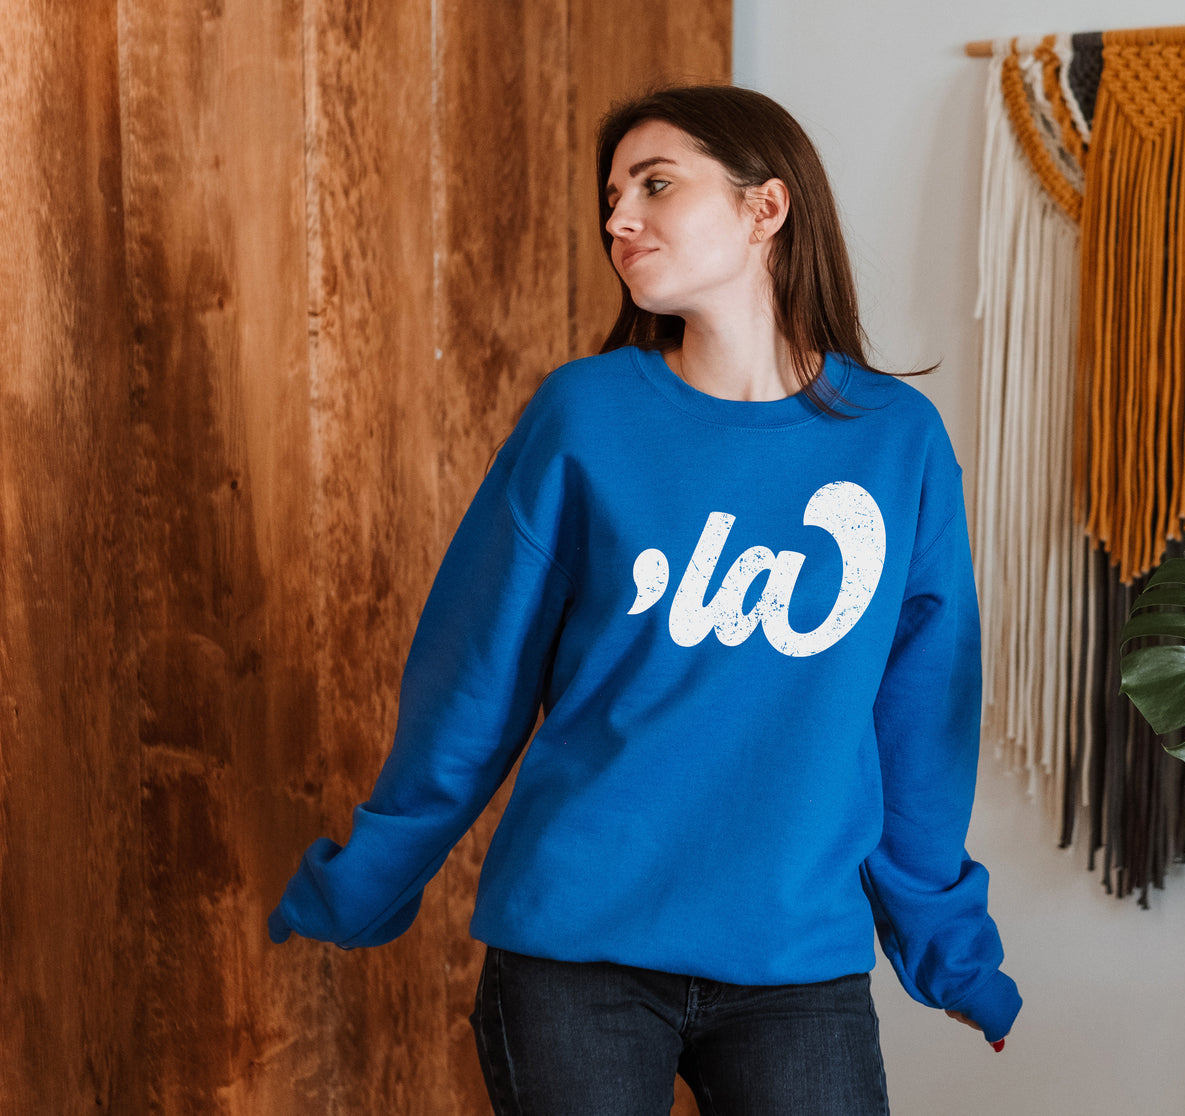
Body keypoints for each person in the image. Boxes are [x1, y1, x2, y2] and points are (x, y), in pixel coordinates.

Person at [269, 83, 1020, 1114]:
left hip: (793, 960)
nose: (618, 218)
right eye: (612, 194)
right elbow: (473, 678)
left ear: (765, 209)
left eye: (655, 186)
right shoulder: (584, 415)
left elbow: (920, 721)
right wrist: (366, 879)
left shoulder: (896, 440)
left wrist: (950, 952)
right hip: (575, 953)